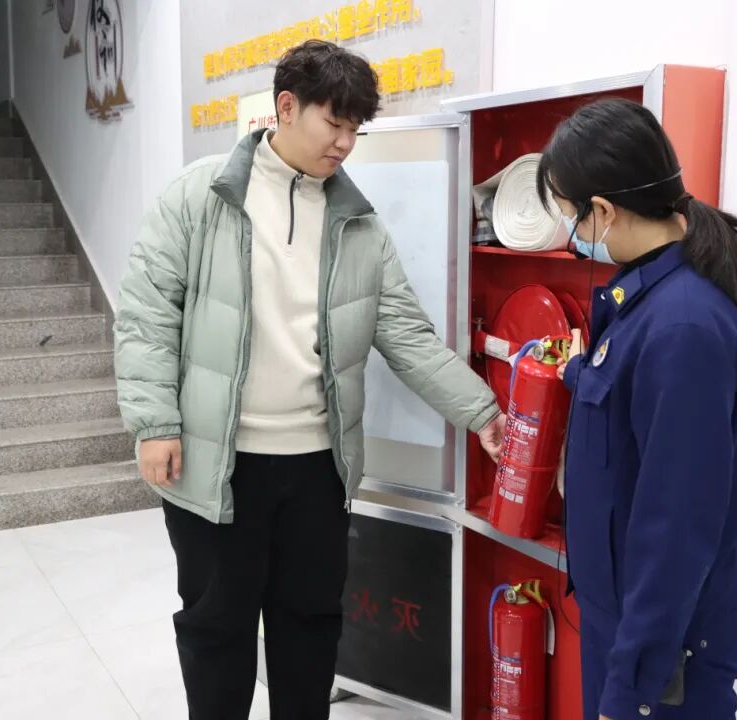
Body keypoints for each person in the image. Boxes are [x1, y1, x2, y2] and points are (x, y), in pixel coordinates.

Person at [113, 40, 505, 720]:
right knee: (217, 627)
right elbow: (147, 316)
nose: (346, 143)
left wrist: (483, 411)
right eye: (335, 123)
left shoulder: (358, 225)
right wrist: (154, 424)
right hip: (218, 463)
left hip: (319, 466)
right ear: (286, 108)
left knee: (310, 625)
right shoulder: (200, 196)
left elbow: (407, 336)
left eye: (356, 128)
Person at [539, 99, 737, 720]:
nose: (573, 232)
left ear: (604, 211)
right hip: (627, 620)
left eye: (571, 216)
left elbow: (677, 524)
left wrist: (632, 684)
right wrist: (576, 370)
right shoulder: (646, 299)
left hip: (667, 646)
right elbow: (628, 398)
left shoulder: (682, 326)